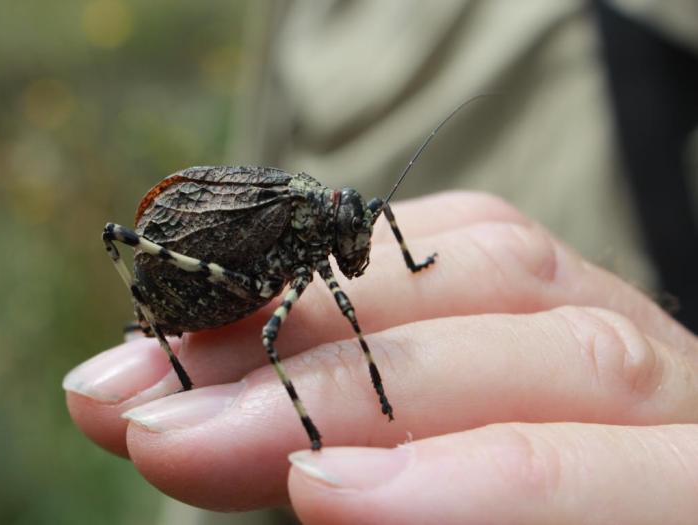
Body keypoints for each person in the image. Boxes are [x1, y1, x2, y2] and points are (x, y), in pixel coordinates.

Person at [65, 1, 698, 523]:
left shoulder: (341, 208)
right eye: (353, 234)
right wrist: (336, 414)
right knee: (257, 325)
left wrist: (413, 261)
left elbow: (371, 213)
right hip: (208, 285)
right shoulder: (305, 44)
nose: (359, 247)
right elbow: (268, 322)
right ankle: (165, 344)